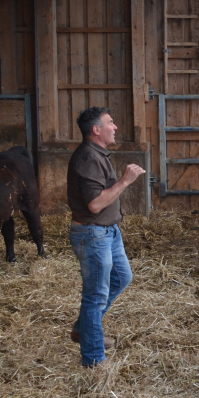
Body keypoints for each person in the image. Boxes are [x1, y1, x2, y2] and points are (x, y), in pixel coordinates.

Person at [67, 107, 146, 367]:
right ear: (96, 130)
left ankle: (83, 329)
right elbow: (95, 204)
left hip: (108, 231)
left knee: (122, 277)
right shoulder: (88, 158)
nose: (115, 127)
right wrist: (125, 180)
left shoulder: (97, 153)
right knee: (96, 296)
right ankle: (93, 359)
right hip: (92, 233)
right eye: (110, 123)